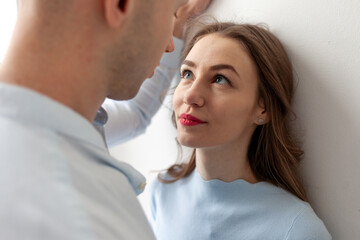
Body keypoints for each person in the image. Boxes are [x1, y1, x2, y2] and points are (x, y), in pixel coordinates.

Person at [0, 0, 210, 239]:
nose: (170, 46)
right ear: (120, 5)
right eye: (171, 12)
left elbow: (135, 114)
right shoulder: (84, 221)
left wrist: (179, 20)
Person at [147, 21, 332, 239]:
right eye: (188, 74)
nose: (190, 96)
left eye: (219, 79)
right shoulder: (162, 193)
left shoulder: (296, 229)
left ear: (262, 107)